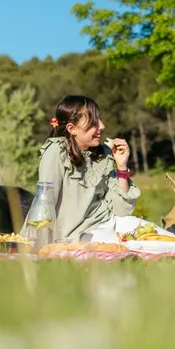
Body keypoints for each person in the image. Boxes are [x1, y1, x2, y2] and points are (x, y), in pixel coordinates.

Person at [36, 95, 146, 241]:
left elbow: (122, 210)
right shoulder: (57, 151)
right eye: (94, 121)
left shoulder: (102, 155)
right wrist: (40, 248)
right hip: (78, 235)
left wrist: (121, 167)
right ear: (72, 128)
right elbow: (45, 203)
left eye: (99, 119)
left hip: (111, 222)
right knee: (132, 247)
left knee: (158, 238)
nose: (101, 126)